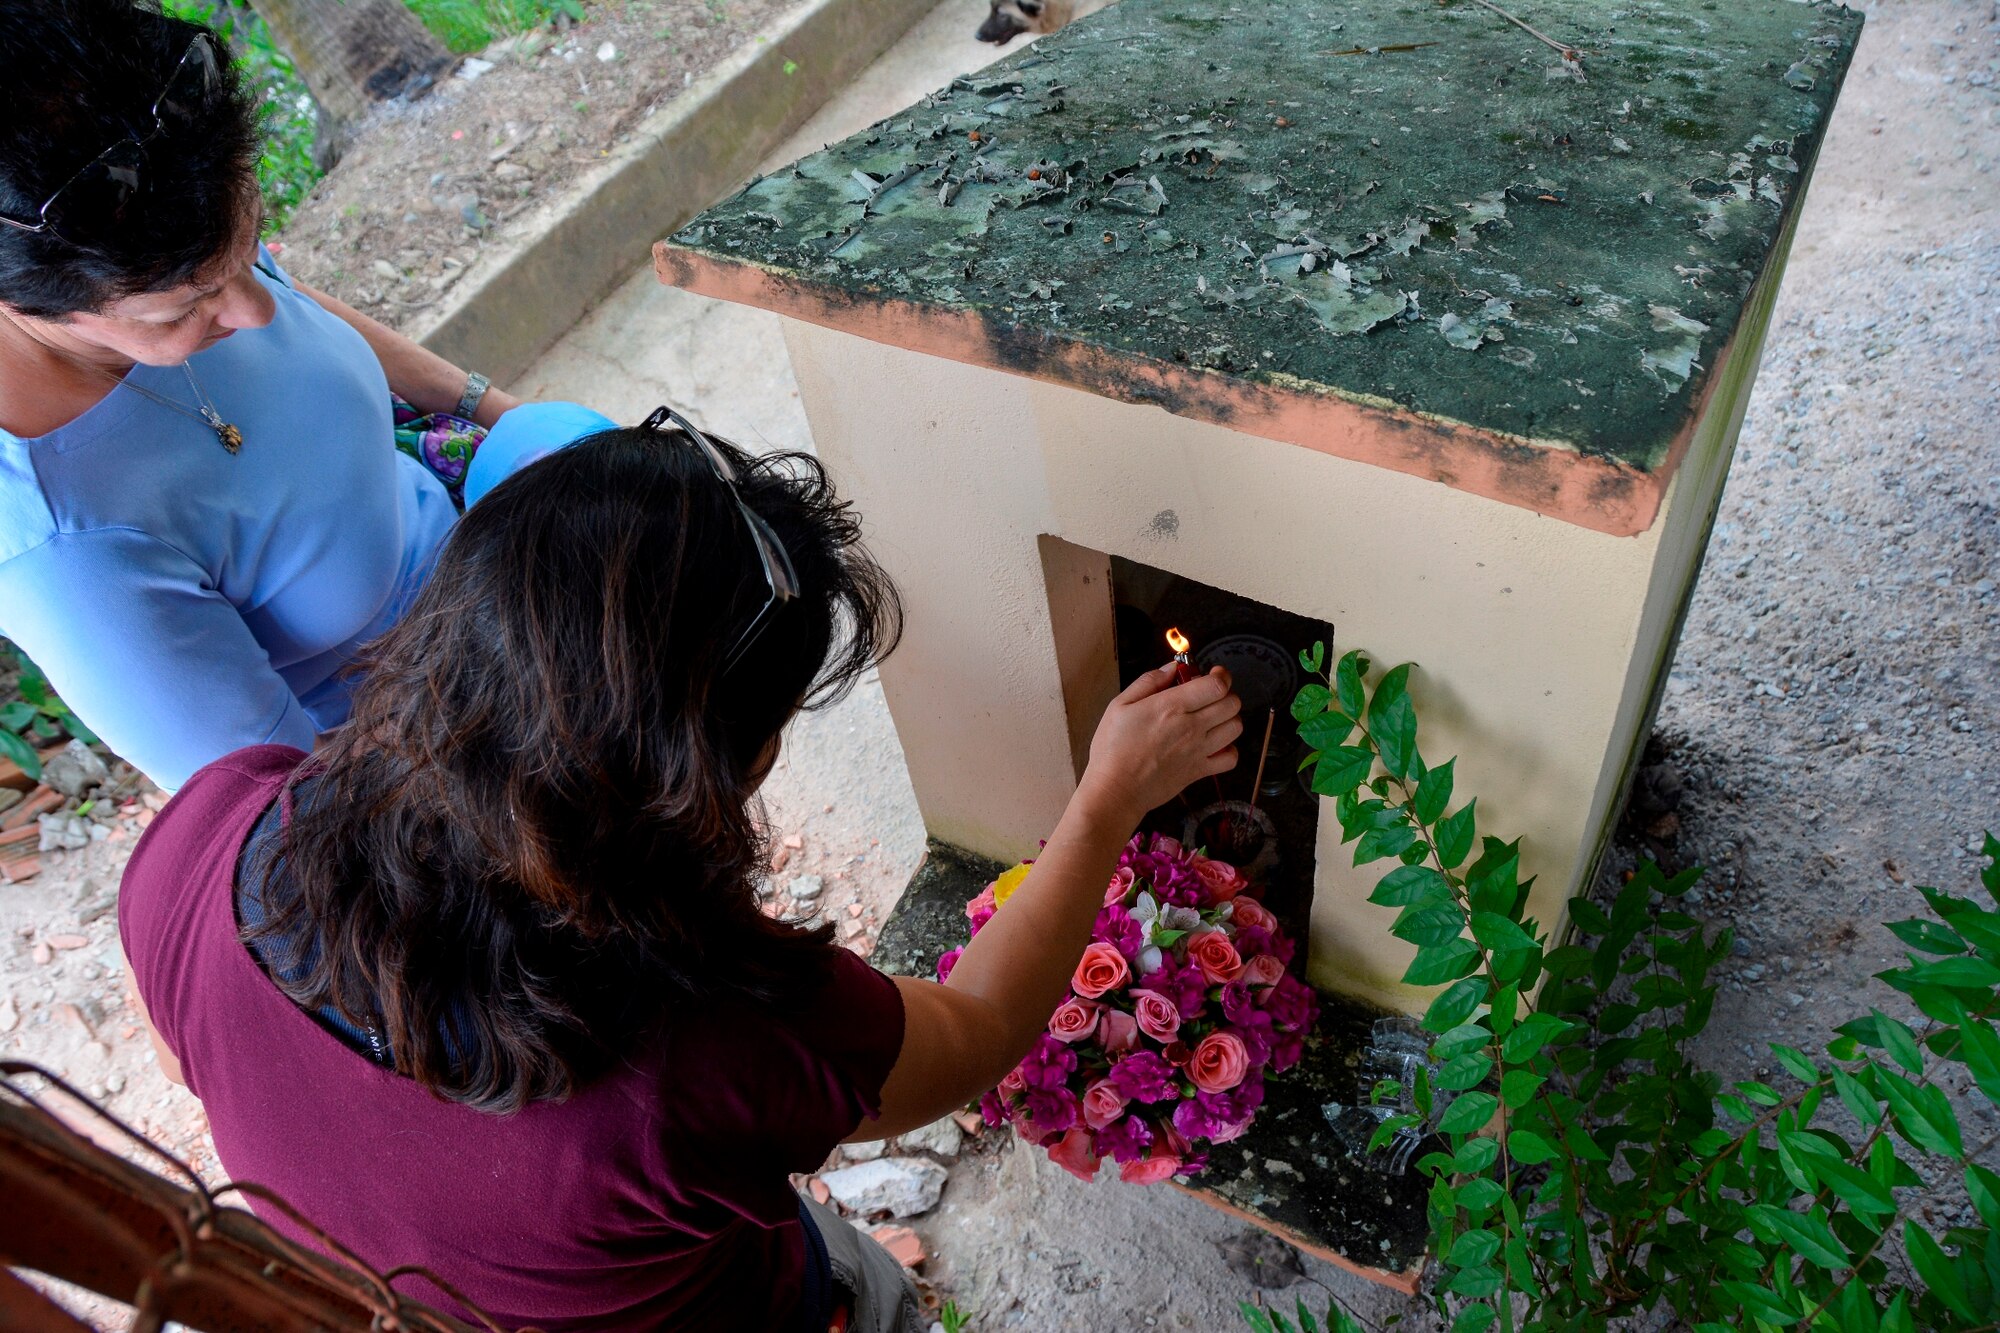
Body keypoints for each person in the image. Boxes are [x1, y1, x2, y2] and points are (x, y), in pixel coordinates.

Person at [118, 416, 1243, 1332]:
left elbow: (185, 1052)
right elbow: (982, 1028)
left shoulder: (217, 833)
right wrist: (1106, 801)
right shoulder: (718, 1035)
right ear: (707, 771)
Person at [0, 0, 610, 790]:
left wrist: (495, 411)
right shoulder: (67, 556)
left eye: (252, 252)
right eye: (188, 307)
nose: (256, 313)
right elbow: (297, 808)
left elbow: (298, 309)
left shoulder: (161, 238)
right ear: (25, 305)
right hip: (426, 736)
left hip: (468, 547)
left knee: (590, 449)